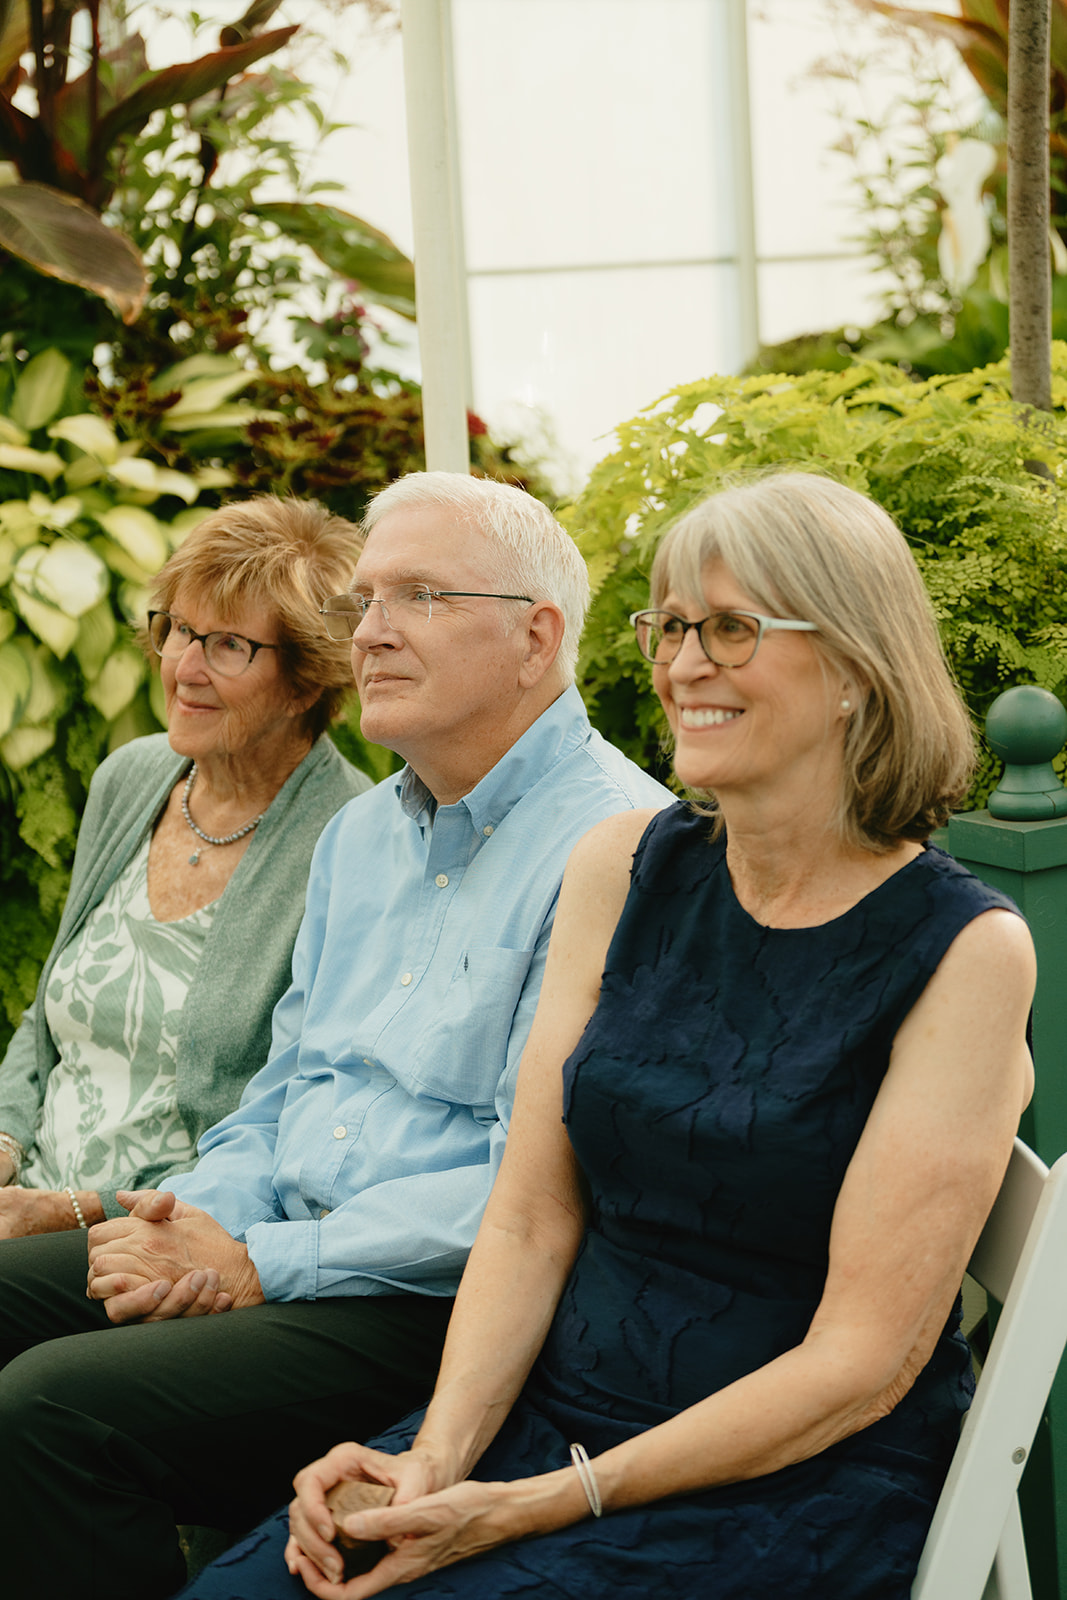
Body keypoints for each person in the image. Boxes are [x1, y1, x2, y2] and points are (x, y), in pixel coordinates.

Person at [183, 471, 1035, 1600]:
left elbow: (857, 1366)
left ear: (851, 666)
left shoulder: (961, 950)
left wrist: (536, 1503)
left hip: (777, 1485)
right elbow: (533, 1215)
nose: (685, 665)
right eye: (671, 626)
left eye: (730, 627)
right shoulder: (622, 867)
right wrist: (432, 1457)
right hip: (547, 1415)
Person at [0, 471, 670, 1600]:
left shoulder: (618, 843)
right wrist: (195, 1222)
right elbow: (284, 1090)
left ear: (533, 636)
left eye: (415, 597)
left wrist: (257, 1263)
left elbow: (531, 1186)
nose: (370, 633)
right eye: (364, 602)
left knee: (47, 1413)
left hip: (433, 1308)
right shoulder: (366, 833)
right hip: (283, 1247)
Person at [0, 495, 371, 1238]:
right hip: (26, 1201)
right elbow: (48, 1016)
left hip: (167, 1228)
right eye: (178, 629)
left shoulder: (351, 836)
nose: (185, 667)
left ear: (305, 681)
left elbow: (291, 1118)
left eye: (228, 645)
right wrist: (5, 1141)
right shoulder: (134, 777)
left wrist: (70, 1210)